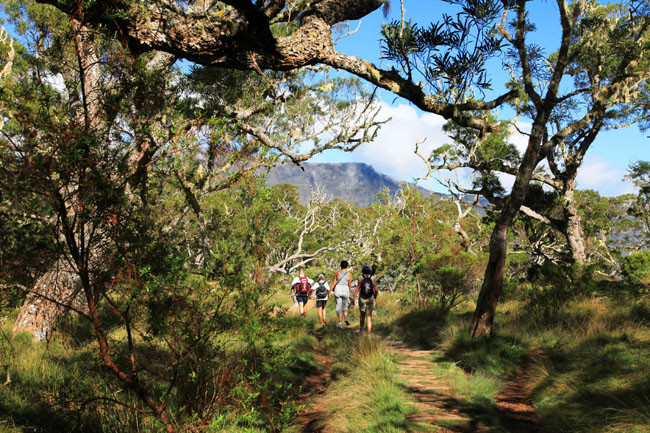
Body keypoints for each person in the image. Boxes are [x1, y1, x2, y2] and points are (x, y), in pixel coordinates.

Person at [353, 263, 378, 337]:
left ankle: (361, 330)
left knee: (362, 315)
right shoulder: (373, 278)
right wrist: (375, 297)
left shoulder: (360, 277)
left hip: (362, 298)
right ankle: (369, 334)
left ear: (363, 270)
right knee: (369, 316)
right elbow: (376, 290)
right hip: (370, 298)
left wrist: (354, 297)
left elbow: (358, 287)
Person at [328, 260, 351, 328]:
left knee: (339, 307)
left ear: (340, 266)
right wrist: (348, 291)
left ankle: (340, 323)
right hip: (345, 290)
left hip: (338, 290)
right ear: (347, 266)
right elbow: (349, 285)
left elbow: (333, 283)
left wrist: (329, 292)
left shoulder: (337, 273)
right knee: (345, 306)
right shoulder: (349, 274)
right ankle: (346, 318)